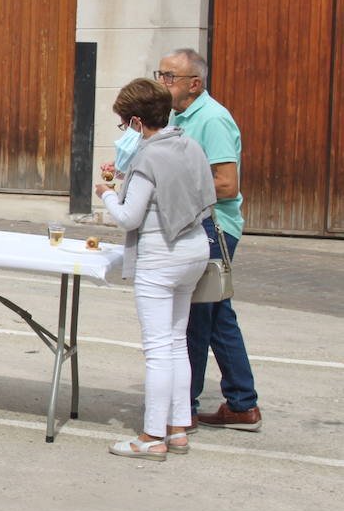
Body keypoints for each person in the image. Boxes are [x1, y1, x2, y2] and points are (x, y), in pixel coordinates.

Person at [96, 79, 215, 460]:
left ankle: (151, 436)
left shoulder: (149, 157)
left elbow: (129, 218)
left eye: (123, 124)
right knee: (177, 341)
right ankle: (178, 428)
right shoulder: (188, 143)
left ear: (135, 121)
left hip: (160, 255)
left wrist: (107, 194)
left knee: (158, 349)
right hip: (195, 247)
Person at [157, 48, 262, 431]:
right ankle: (242, 403)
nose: (162, 82)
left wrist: (170, 191)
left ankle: (183, 408)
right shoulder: (178, 116)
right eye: (161, 74)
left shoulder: (213, 119)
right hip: (196, 224)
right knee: (218, 317)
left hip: (213, 229)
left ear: (194, 83)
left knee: (197, 320)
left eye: (169, 76)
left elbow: (227, 184)